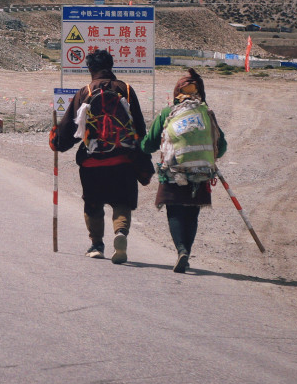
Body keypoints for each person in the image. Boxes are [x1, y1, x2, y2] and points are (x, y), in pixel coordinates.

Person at [49, 49, 149, 263]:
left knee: (93, 203)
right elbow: (140, 128)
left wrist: (57, 140)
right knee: (122, 201)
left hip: (92, 161)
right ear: (112, 66)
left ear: (90, 69)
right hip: (123, 159)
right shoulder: (127, 90)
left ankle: (96, 245)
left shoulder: (85, 92)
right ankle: (120, 233)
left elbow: (70, 131)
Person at [140, 67, 227, 273]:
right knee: (192, 214)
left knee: (175, 211)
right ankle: (186, 251)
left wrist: (142, 145)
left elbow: (148, 145)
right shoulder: (207, 114)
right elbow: (221, 147)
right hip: (202, 173)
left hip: (173, 172)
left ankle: (181, 250)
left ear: (176, 93)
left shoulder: (166, 113)